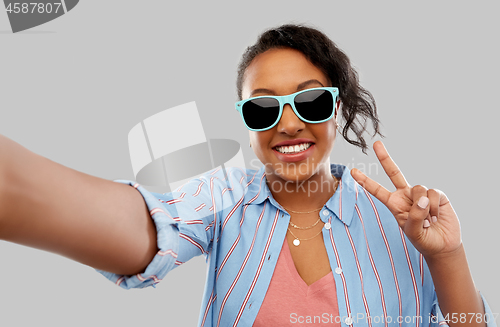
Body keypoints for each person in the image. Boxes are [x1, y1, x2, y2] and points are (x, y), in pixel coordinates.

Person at [0, 24, 495, 327]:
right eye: (263, 108)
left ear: (336, 109)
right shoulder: (226, 197)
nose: (288, 123)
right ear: (244, 119)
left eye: (309, 100)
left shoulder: (400, 216)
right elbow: (149, 226)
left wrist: (446, 254)